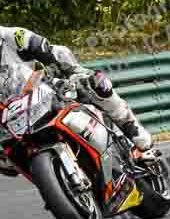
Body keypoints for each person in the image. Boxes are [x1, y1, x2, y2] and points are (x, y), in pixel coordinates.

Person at [0, 27, 152, 164]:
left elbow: (50, 52)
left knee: (96, 83)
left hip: (47, 85)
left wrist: (73, 73)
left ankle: (137, 136)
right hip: (12, 118)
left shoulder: (14, 36)